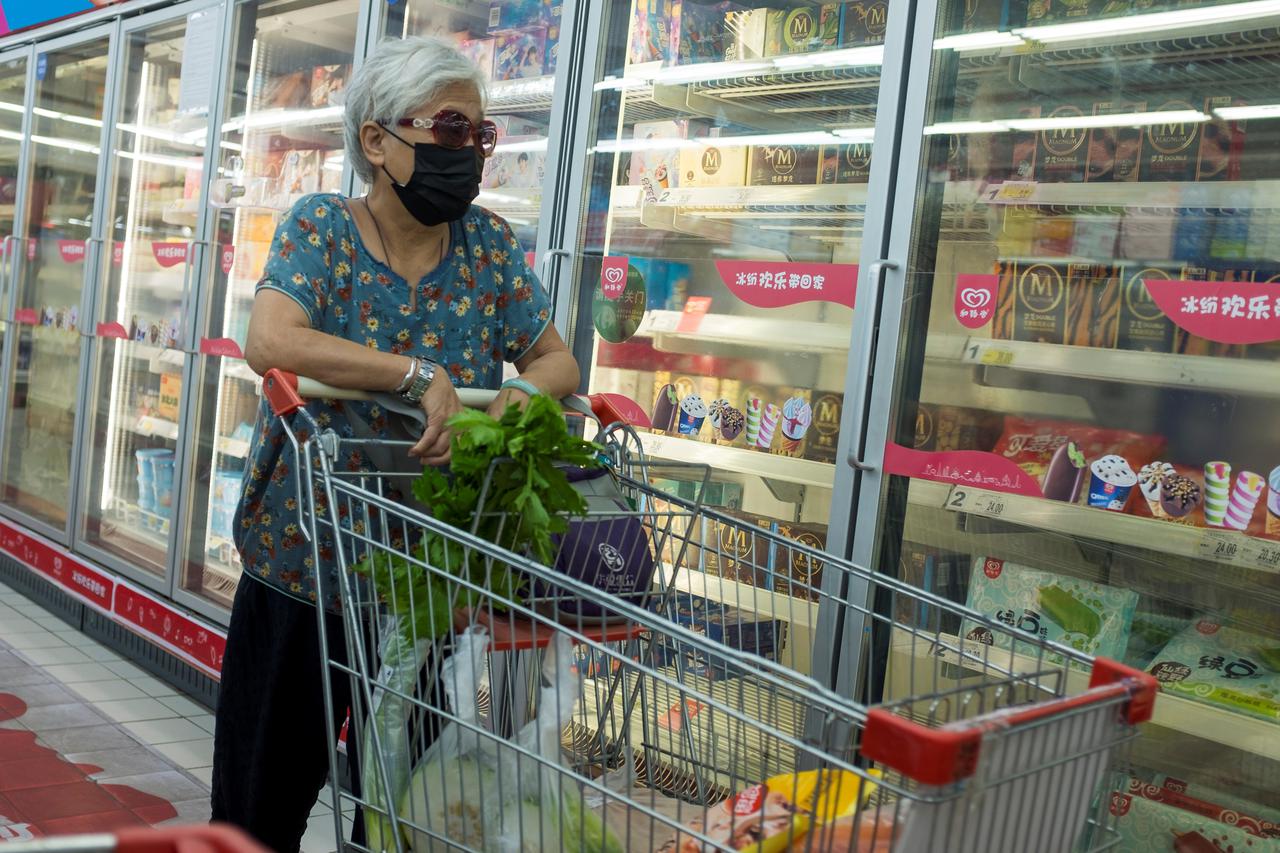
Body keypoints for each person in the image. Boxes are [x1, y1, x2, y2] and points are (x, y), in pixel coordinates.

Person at [210, 36, 579, 853]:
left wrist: (512, 400)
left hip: (424, 587)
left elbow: (558, 358)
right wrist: (417, 375)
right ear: (376, 140)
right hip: (303, 569)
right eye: (449, 131)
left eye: (479, 138)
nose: (469, 155)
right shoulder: (323, 228)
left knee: (403, 816)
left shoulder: (486, 249)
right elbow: (270, 338)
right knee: (255, 813)